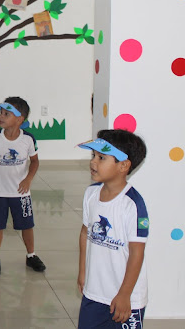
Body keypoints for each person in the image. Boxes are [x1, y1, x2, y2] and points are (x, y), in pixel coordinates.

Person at [77, 130, 149, 328]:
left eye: (101, 158)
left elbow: (137, 253)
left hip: (127, 297)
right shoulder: (91, 194)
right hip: (94, 292)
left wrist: (125, 295)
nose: (93, 162)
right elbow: (85, 233)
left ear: (123, 166)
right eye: (93, 155)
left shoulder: (132, 204)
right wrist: (83, 271)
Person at [0, 97, 45, 275]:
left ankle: (31, 255)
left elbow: (35, 162)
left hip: (21, 193)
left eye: (6, 114)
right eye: (1, 113)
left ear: (20, 119)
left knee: (27, 225)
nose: (1, 117)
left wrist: (28, 179)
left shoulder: (28, 139)